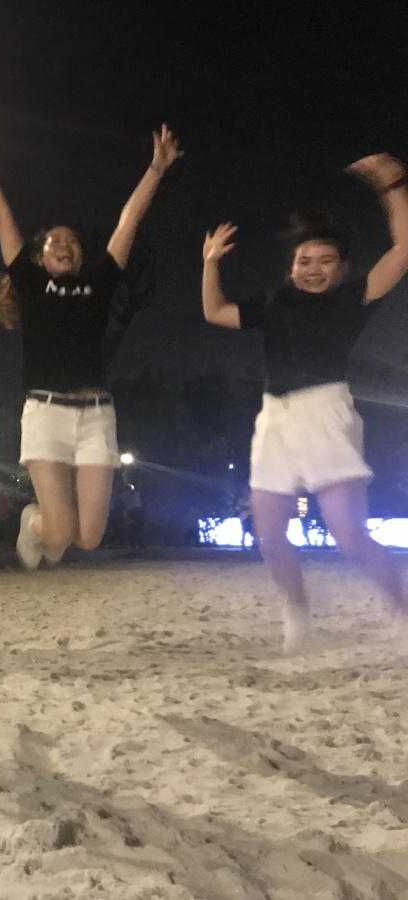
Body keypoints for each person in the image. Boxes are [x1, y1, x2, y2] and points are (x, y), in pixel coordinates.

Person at [0, 120, 181, 569]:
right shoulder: (31, 283)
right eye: (55, 240)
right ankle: (34, 522)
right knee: (58, 533)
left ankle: (52, 526)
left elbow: (129, 221)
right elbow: (3, 217)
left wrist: (156, 169)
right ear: (40, 256)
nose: (65, 244)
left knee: (89, 538)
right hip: (46, 413)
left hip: (96, 416)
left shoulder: (98, 284)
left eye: (72, 240)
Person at [201, 153, 408, 651]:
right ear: (291, 266)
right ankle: (296, 612)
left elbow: (403, 251)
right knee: (269, 531)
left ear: (342, 268)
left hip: (325, 412)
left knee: (348, 534)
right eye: (304, 261)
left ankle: (401, 608)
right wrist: (210, 262)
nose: (314, 270)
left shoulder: (351, 298)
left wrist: (392, 186)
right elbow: (215, 312)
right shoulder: (275, 302)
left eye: (325, 261)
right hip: (274, 417)